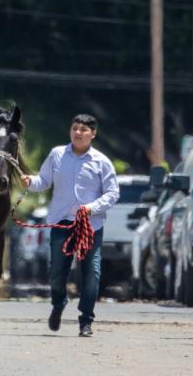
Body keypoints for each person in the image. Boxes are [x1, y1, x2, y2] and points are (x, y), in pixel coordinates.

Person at [19, 114, 119, 337]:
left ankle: (86, 320)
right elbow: (42, 182)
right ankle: (58, 302)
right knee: (56, 272)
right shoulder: (57, 154)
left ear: (93, 134)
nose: (78, 132)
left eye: (83, 129)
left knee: (91, 273)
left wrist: (91, 207)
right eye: (74, 128)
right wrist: (29, 181)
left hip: (90, 225)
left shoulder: (101, 161)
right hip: (61, 222)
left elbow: (113, 193)